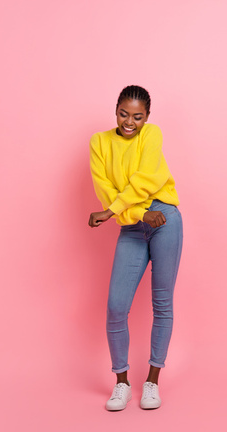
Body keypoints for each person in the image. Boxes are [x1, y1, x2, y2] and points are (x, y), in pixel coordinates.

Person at [88, 85, 183, 411]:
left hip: (164, 218)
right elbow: (106, 191)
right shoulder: (99, 142)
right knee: (116, 306)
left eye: (137, 117)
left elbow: (144, 180)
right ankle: (122, 383)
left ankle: (153, 382)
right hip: (134, 222)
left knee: (162, 302)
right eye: (124, 114)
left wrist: (113, 211)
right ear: (115, 110)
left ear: (147, 117)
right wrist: (138, 213)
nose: (130, 122)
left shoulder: (152, 135)